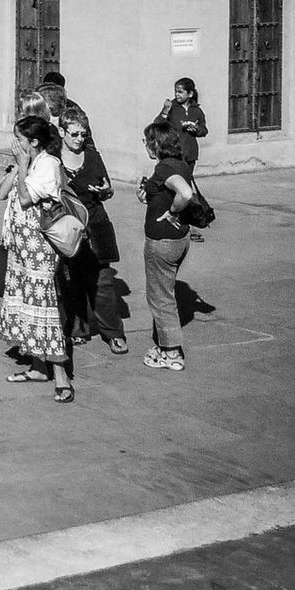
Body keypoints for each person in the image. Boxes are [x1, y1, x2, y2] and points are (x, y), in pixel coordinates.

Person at [0, 116, 75, 403]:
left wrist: (22, 169)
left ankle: (61, 374)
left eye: (19, 138)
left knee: (44, 305)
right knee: (24, 302)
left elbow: (27, 198)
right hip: (20, 246)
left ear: (34, 141)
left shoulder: (48, 165)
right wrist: (19, 165)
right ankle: (38, 366)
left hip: (39, 248)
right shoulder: (29, 163)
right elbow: (3, 193)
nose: (14, 143)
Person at [56, 106, 127, 354]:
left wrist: (105, 191)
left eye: (83, 134)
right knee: (69, 280)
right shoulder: (53, 159)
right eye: (74, 134)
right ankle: (77, 329)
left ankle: (113, 333)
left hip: (95, 225)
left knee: (103, 282)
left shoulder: (93, 156)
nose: (79, 139)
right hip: (66, 227)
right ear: (62, 131)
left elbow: (107, 189)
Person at [138, 122, 197, 371]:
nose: (145, 146)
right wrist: (150, 196)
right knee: (166, 292)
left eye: (147, 141)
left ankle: (172, 353)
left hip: (162, 241)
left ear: (157, 144)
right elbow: (174, 189)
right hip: (180, 239)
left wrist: (172, 212)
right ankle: (164, 346)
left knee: (161, 298)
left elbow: (184, 193)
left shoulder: (164, 167)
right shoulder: (181, 164)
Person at [156, 78, 208, 242]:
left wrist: (196, 128)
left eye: (180, 92)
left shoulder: (196, 111)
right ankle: (175, 220)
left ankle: (186, 224)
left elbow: (204, 130)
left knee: (185, 190)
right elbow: (157, 125)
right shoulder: (172, 107)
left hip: (190, 155)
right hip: (173, 155)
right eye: (175, 91)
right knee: (175, 189)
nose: (177, 95)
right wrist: (165, 111)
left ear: (190, 93)